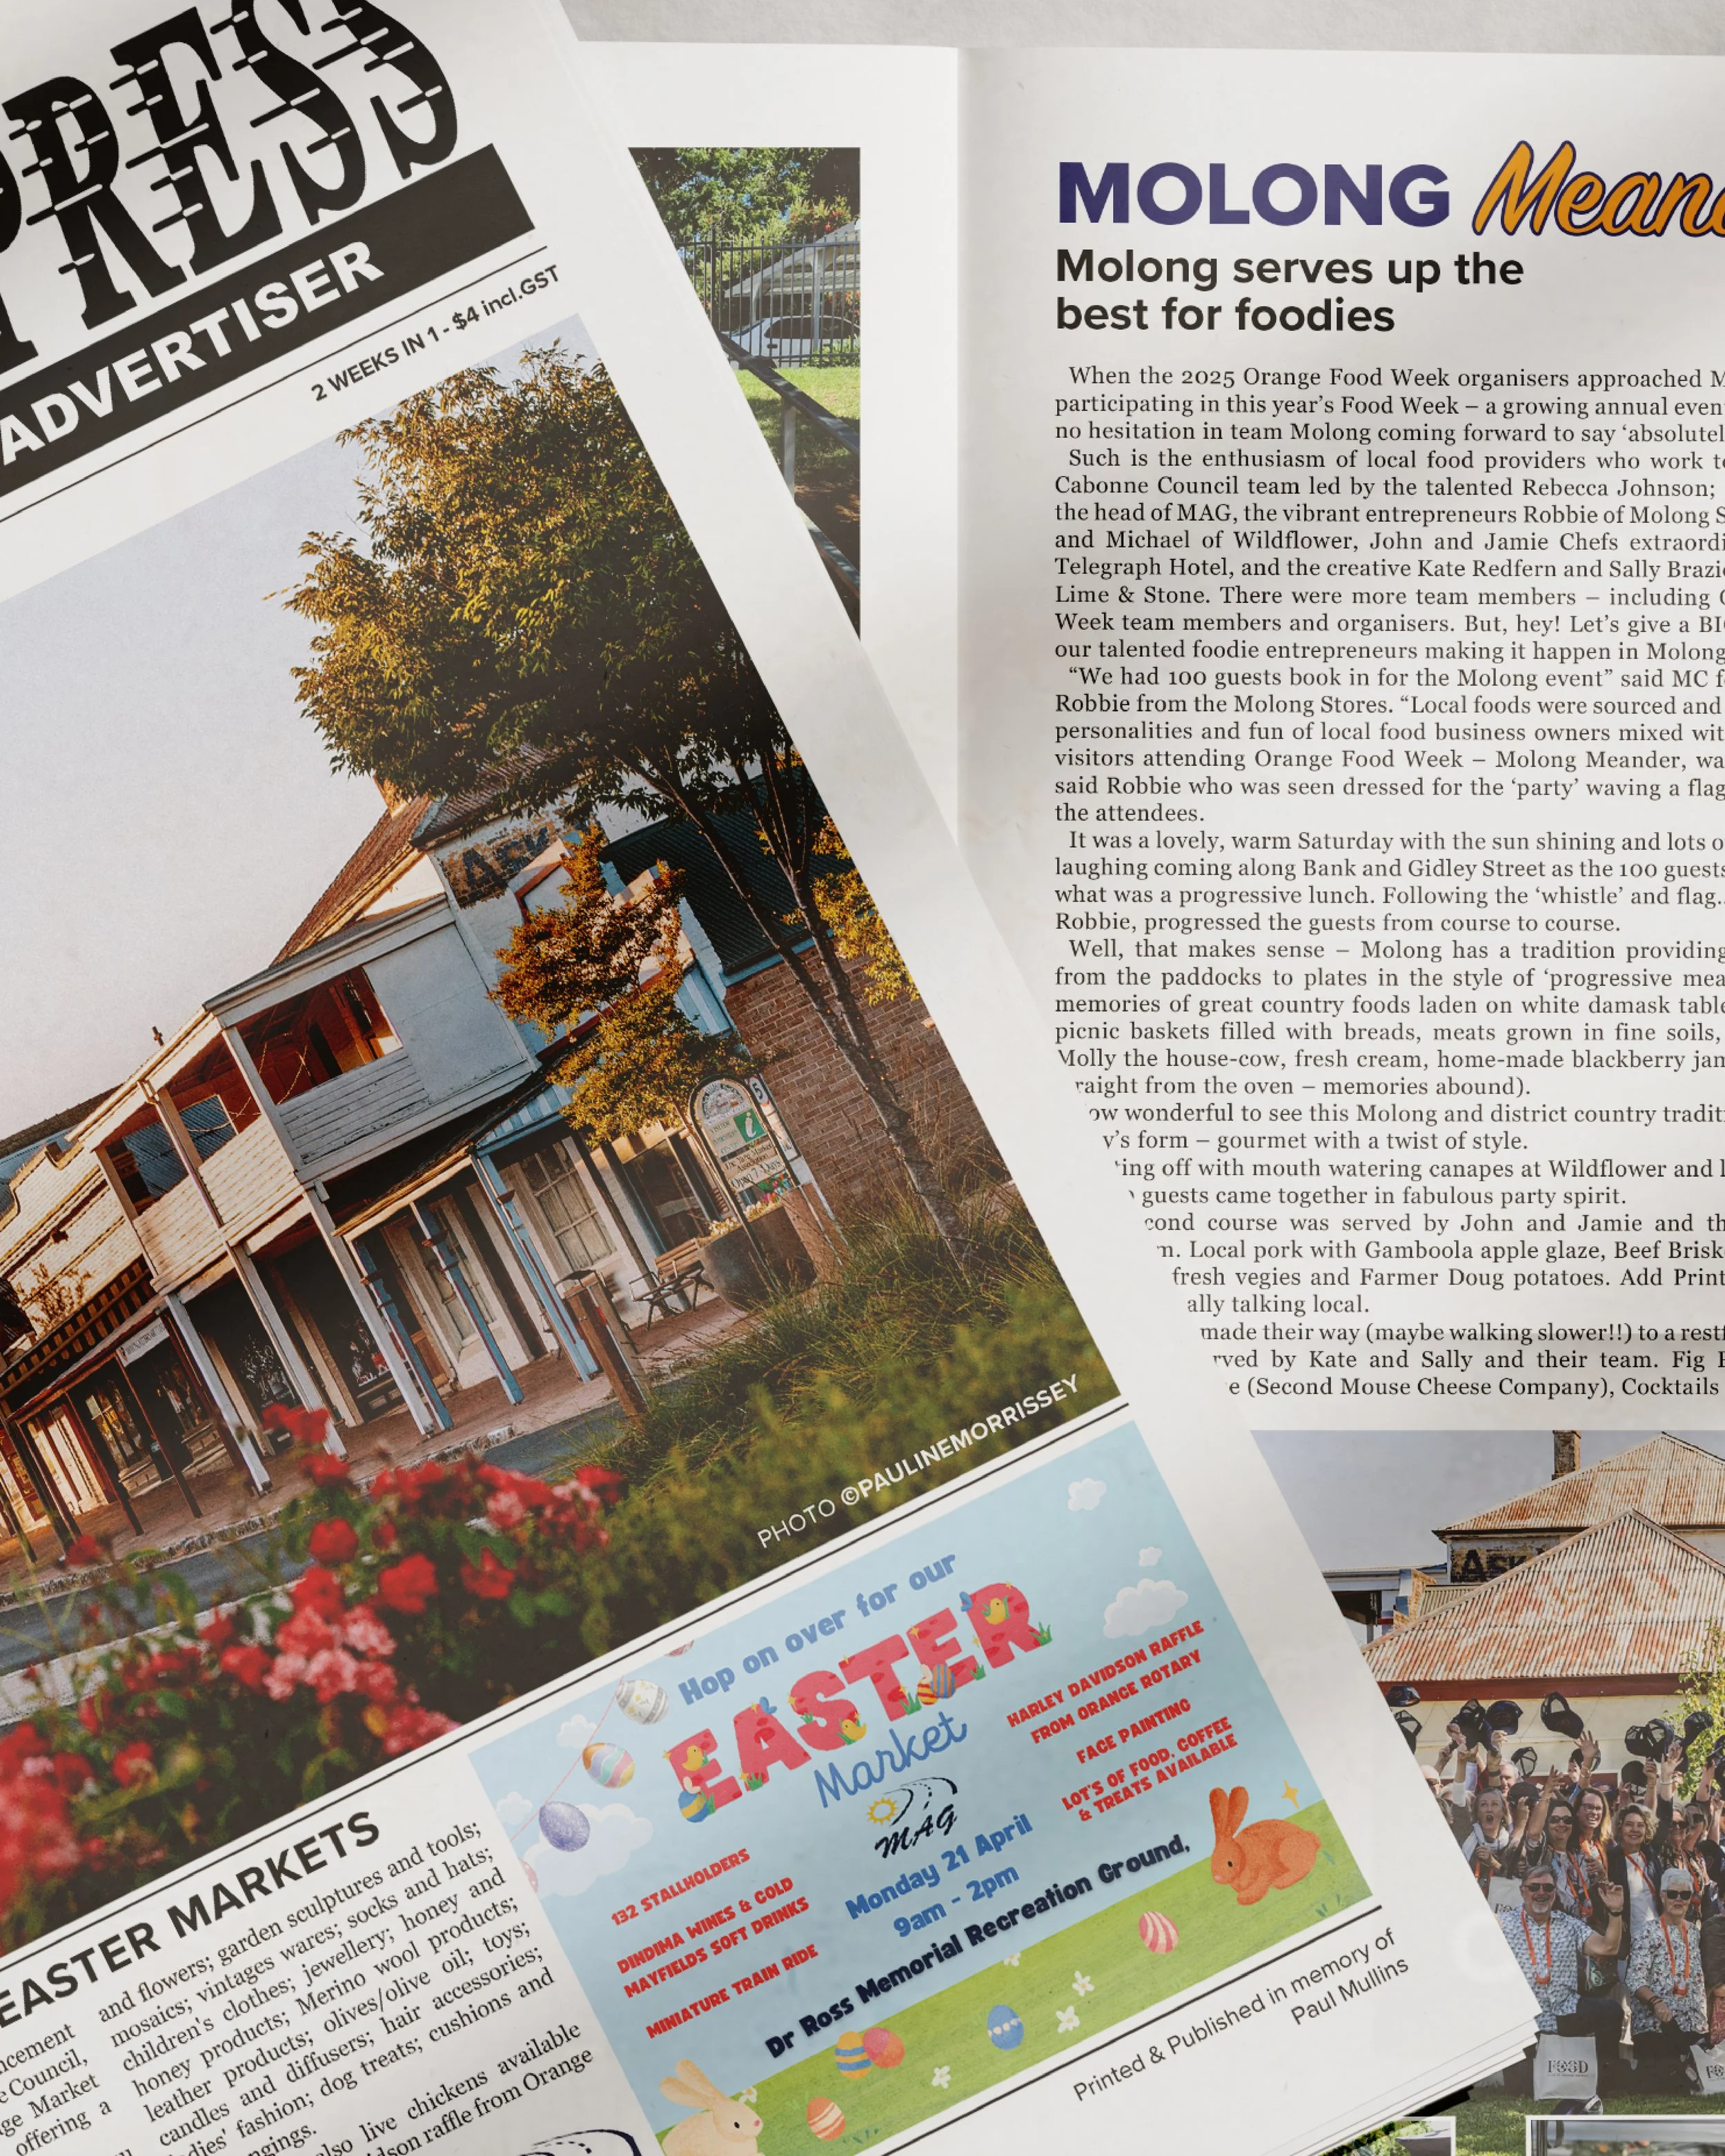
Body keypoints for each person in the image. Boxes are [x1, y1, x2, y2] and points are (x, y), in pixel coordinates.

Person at [1497, 1863, 1625, 2095]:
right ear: (1523, 1891)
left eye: (1548, 1888)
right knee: (1521, 2092)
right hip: (1525, 2018)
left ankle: (1606, 2085)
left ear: (1555, 1893)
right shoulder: (1503, 1923)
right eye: (1534, 1887)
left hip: (1565, 2009)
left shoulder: (1569, 1924)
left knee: (1611, 2012)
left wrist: (1615, 1912)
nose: (1541, 1893)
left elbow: (1608, 1947)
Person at [1626, 1868, 1710, 2089]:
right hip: (1658, 2023)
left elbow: (1699, 1980)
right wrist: (1656, 2002)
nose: (1679, 1900)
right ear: (1662, 1896)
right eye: (1673, 1894)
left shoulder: (1695, 1933)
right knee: (1663, 2082)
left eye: (1685, 1895)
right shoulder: (1648, 1932)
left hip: (1691, 2023)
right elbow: (1635, 1979)